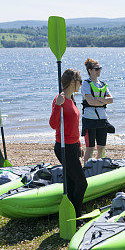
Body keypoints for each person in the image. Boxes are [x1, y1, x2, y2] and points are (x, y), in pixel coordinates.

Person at [49, 68, 88, 219]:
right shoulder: (60, 99)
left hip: (72, 146)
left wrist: (78, 144)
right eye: (80, 81)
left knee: (72, 183)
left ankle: (71, 214)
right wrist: (58, 105)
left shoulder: (71, 99)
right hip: (63, 148)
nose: (81, 84)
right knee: (81, 183)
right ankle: (76, 215)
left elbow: (73, 126)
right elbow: (53, 124)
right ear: (73, 82)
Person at [80, 58, 114, 163]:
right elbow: (90, 101)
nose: (99, 70)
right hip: (89, 120)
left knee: (102, 147)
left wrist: (97, 100)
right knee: (90, 148)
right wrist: (103, 101)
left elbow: (111, 100)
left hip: (102, 119)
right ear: (90, 70)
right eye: (97, 69)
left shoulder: (102, 84)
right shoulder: (86, 84)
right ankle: (86, 170)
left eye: (100, 68)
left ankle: (100, 168)